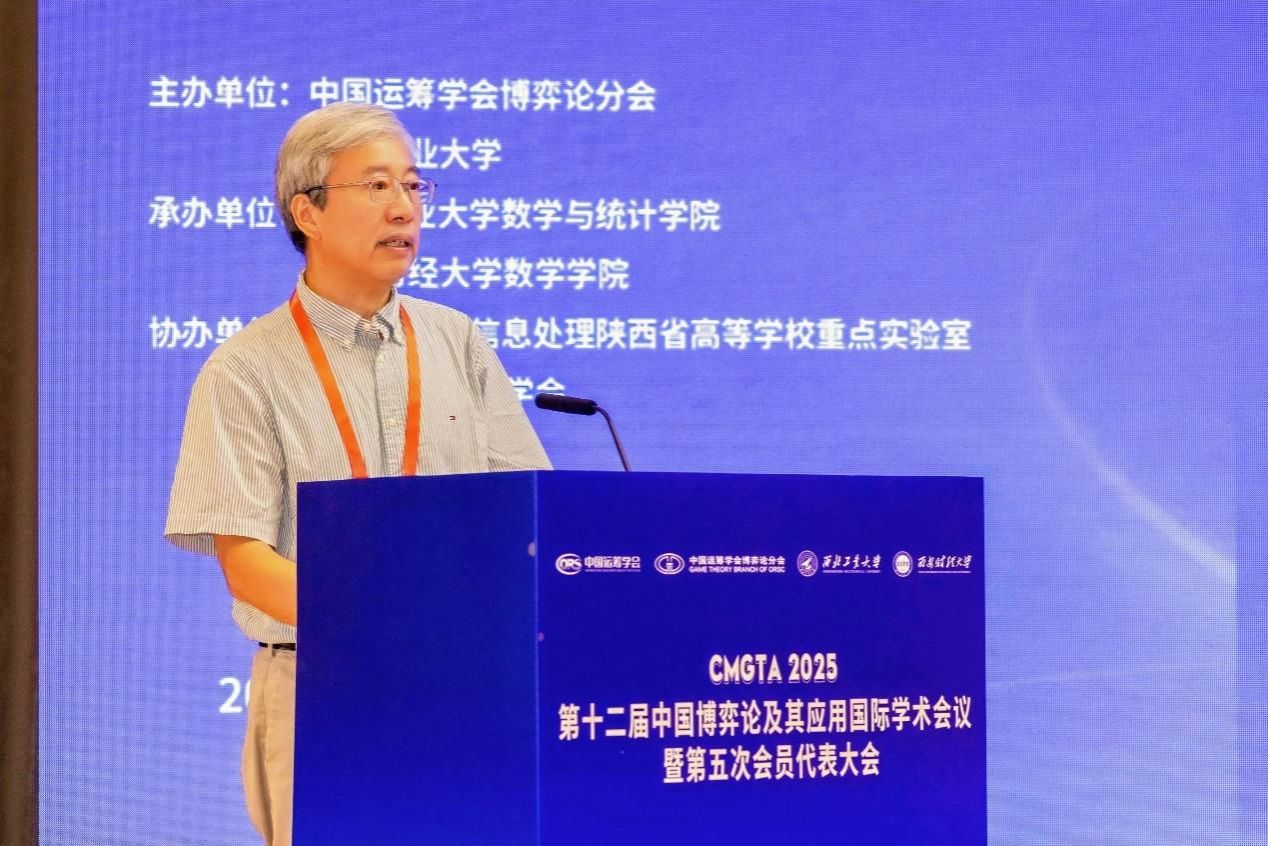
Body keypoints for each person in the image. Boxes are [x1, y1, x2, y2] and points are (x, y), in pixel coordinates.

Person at [165, 102, 550, 846]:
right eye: (376, 186)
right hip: (321, 686)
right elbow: (246, 563)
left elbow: (525, 516)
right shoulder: (244, 369)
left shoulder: (457, 340)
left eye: (413, 185)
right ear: (307, 211)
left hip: (463, 685)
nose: (404, 208)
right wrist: (390, 621)